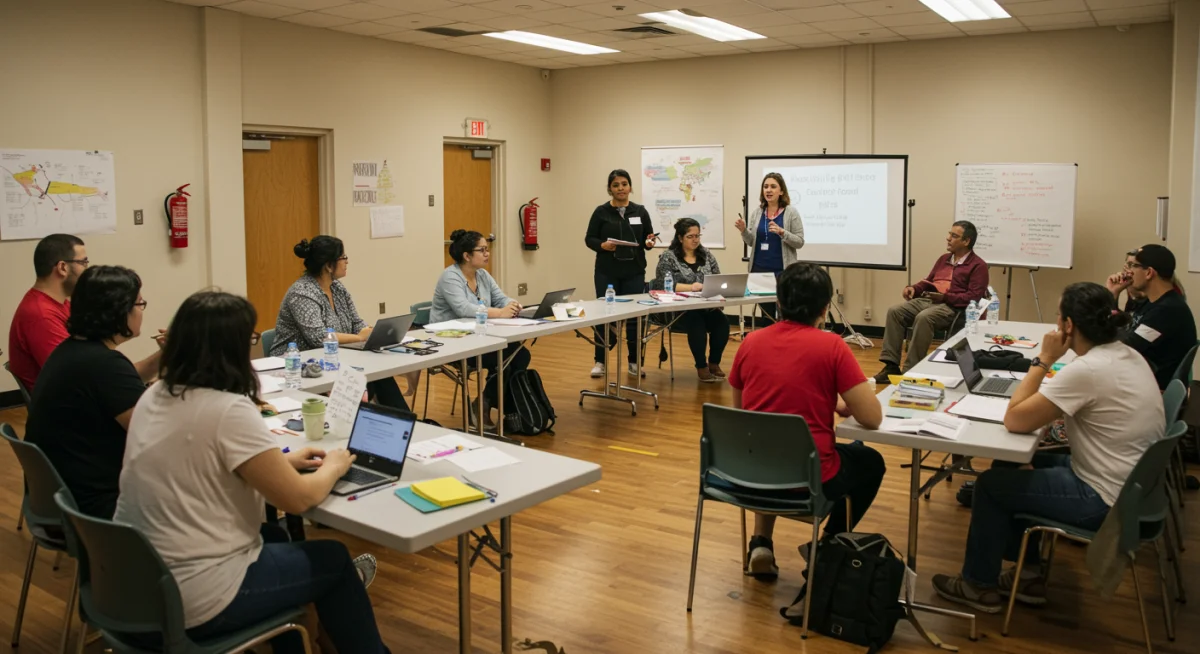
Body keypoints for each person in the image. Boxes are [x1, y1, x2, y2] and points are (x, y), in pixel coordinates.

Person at [114, 291, 389, 653]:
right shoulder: (228, 409)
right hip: (193, 599)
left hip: (133, 586)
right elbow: (299, 499)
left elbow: (200, 465)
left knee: (273, 536)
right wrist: (335, 466)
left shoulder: (156, 394)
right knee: (335, 560)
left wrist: (279, 463)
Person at [933, 282, 1164, 614]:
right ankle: (1027, 576)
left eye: (1058, 316)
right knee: (1008, 464)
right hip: (1131, 488)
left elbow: (1014, 420)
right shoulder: (1125, 354)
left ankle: (976, 585)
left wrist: (1044, 359)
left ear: (1068, 325)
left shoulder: (1088, 370)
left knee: (990, 486)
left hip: (1104, 500)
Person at [729, 263, 884, 578]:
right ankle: (827, 546)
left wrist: (825, 399)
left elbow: (744, 414)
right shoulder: (832, 346)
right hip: (809, 479)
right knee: (870, 461)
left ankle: (760, 543)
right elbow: (872, 418)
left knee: (770, 445)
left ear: (779, 302)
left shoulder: (751, 342)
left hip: (751, 474)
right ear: (825, 308)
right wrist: (845, 402)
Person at [24, 266, 160, 519]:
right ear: (120, 310)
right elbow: (153, 435)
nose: (142, 310)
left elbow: (120, 385)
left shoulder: (73, 350)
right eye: (140, 303)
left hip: (64, 495)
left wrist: (168, 355)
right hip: (97, 506)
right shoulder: (104, 364)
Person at [270, 235, 408, 410]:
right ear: (328, 265)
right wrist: (360, 337)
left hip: (332, 360)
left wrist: (370, 331)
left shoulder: (337, 287)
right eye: (343, 257)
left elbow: (356, 322)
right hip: (296, 367)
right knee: (368, 380)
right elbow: (318, 337)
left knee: (379, 374)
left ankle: (402, 420)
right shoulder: (302, 292)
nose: (347, 261)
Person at [432, 229, 531, 428]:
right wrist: (500, 313)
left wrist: (513, 305)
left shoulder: (482, 275)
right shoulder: (450, 277)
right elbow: (463, 308)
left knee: (519, 355)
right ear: (467, 256)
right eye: (482, 250)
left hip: (480, 337)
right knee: (504, 357)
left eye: (487, 249)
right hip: (453, 342)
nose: (487, 253)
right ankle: (489, 406)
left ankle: (484, 401)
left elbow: (500, 298)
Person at [874, 221, 989, 383]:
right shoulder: (944, 259)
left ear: (966, 241)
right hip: (930, 300)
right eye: (949, 234)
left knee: (924, 317)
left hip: (953, 307)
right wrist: (914, 288)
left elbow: (973, 298)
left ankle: (910, 370)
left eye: (954, 236)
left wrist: (945, 297)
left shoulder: (978, 266)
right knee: (895, 311)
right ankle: (891, 366)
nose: (948, 238)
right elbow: (928, 281)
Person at [584, 169, 659, 378]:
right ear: (610, 189)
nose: (620, 188)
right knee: (604, 315)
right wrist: (602, 245)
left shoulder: (640, 211)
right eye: (616, 185)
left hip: (634, 271)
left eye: (624, 184)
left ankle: (634, 362)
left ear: (630, 187)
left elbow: (648, 239)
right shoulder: (601, 212)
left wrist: (650, 242)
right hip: (607, 272)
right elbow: (589, 239)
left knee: (634, 318)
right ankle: (600, 361)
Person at [1106, 244, 1196, 389]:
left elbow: (1123, 347)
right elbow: (1123, 328)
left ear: (1149, 272)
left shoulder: (1167, 310)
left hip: (1152, 389)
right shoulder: (1152, 303)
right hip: (1139, 379)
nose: (1127, 273)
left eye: (1132, 266)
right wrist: (1113, 295)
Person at [651, 218, 730, 383]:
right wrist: (691, 287)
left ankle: (714, 363)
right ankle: (701, 366)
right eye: (690, 236)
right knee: (696, 322)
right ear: (680, 238)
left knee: (722, 323)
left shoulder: (706, 255)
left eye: (697, 236)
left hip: (705, 306)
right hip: (679, 309)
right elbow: (662, 284)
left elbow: (717, 278)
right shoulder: (668, 257)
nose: (695, 240)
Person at [7, 234, 87, 390]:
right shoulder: (40, 315)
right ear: (62, 268)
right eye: (83, 263)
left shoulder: (59, 303)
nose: (86, 270)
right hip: (66, 401)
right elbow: (73, 374)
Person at [734, 173, 804, 320]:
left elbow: (799, 242)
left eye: (773, 186)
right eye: (765, 187)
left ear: (781, 191)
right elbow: (751, 242)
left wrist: (782, 232)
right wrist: (744, 230)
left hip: (782, 272)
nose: (768, 190)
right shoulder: (757, 213)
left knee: (786, 316)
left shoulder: (791, 212)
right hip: (759, 271)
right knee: (767, 317)